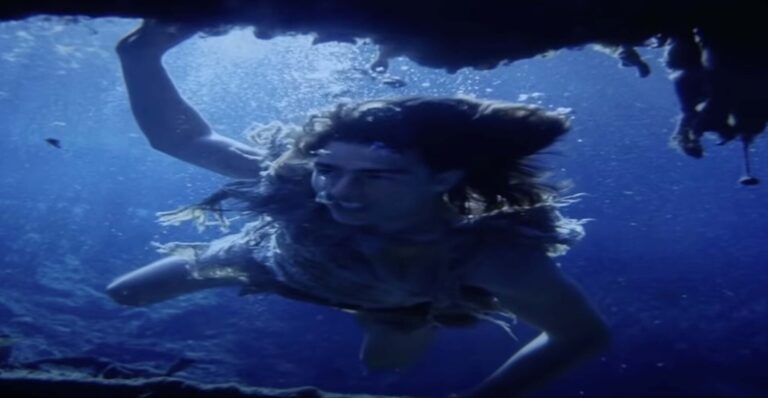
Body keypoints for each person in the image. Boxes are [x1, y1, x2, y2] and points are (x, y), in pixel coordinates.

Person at [107, 20, 610, 398]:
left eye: (376, 176)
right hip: (263, 261)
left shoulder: (487, 255)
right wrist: (140, 56)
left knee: (383, 368)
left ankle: (407, 322)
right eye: (329, 168)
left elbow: (579, 337)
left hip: (394, 304)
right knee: (125, 294)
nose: (340, 191)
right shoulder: (295, 180)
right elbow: (185, 139)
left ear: (445, 178)